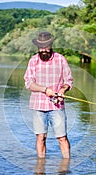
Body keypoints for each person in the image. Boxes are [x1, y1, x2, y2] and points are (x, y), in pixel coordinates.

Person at [24, 31, 73, 159]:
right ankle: (40, 168)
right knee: (41, 137)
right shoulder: (33, 61)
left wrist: (62, 90)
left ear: (51, 45)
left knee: (62, 138)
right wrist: (45, 89)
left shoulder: (61, 59)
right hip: (38, 105)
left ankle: (66, 166)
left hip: (57, 106)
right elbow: (29, 83)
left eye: (46, 47)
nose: (44, 50)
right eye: (41, 47)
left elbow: (68, 81)